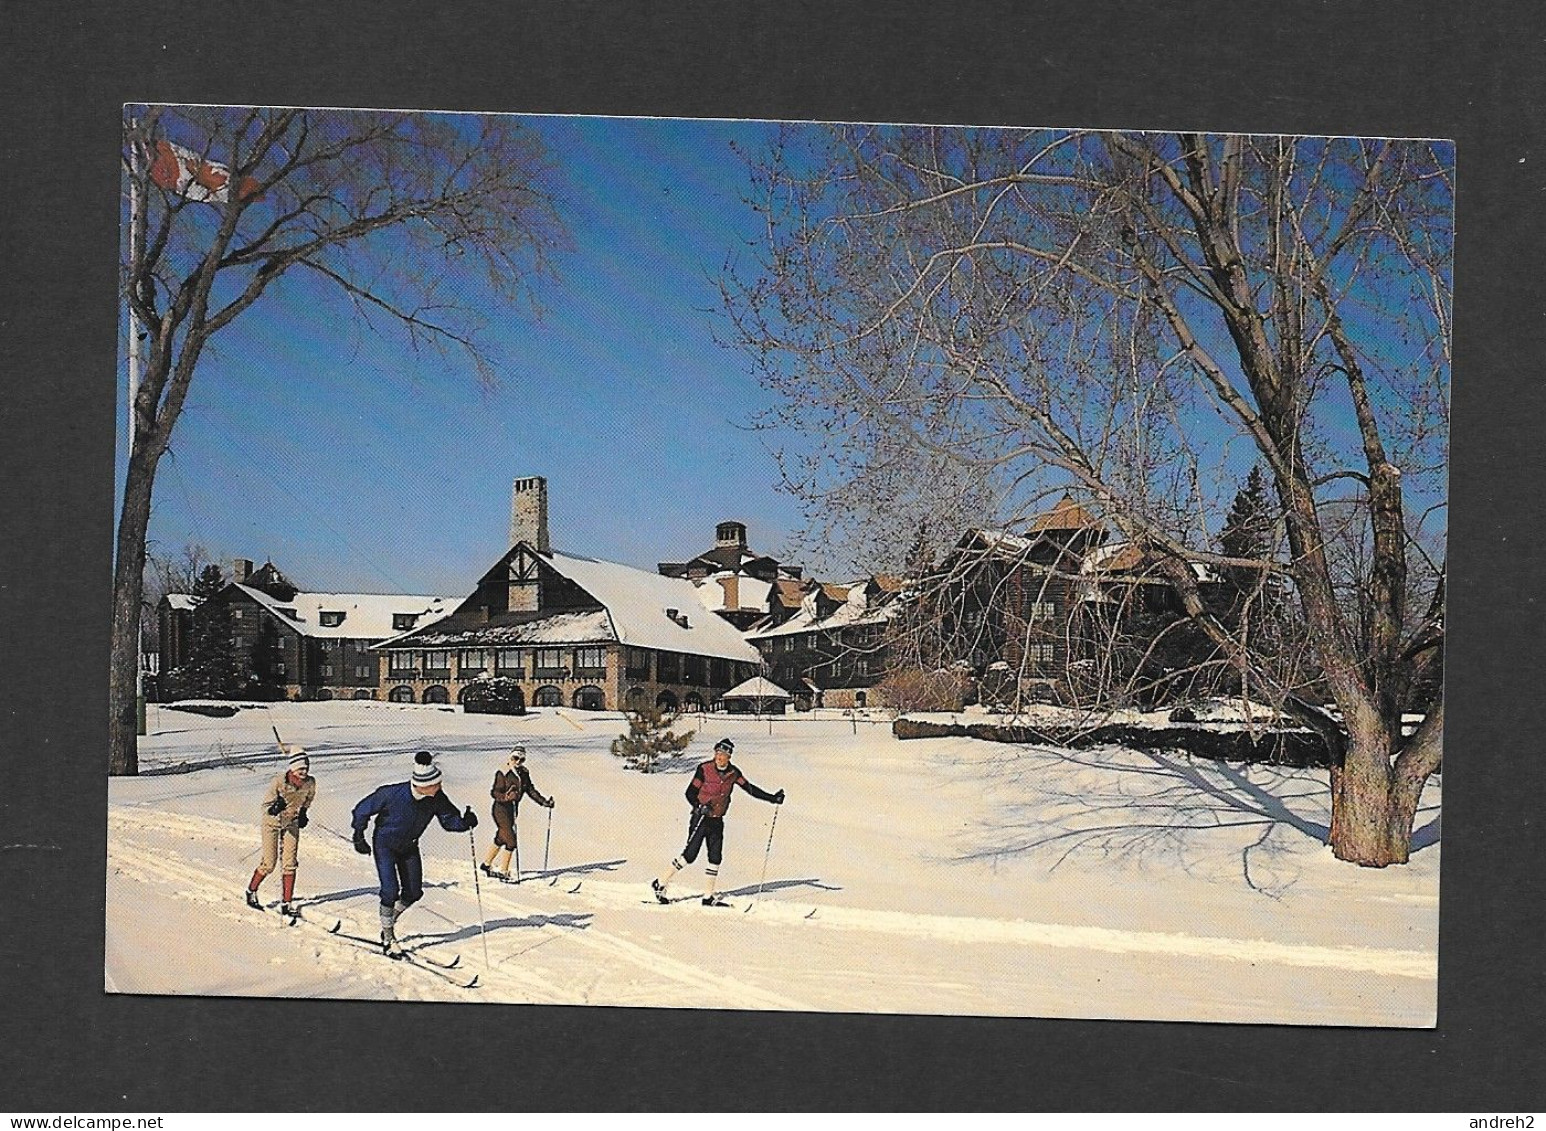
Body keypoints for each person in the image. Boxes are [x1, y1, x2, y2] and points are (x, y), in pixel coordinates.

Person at [350, 751, 478, 956]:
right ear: (424, 785)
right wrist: (358, 835)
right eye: (437, 784)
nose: (441, 787)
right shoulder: (391, 794)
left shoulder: (437, 798)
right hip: (385, 844)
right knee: (390, 891)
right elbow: (361, 810)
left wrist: (464, 822)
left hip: (409, 846)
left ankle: (389, 922)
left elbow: (448, 820)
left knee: (413, 893)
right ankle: (389, 937)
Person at [652, 737, 784, 907]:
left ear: (729, 757)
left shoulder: (733, 773)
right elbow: (690, 793)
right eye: (718, 754)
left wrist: (773, 798)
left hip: (716, 820)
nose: (720, 758)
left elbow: (750, 789)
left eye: (723, 755)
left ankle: (708, 897)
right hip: (700, 818)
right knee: (689, 855)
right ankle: (660, 883)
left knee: (715, 857)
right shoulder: (704, 769)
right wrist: (699, 806)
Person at [244, 745, 315, 916]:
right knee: (269, 863)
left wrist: (304, 813)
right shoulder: (279, 782)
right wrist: (275, 808)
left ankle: (287, 903)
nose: (303, 772)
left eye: (306, 768)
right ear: (292, 768)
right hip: (272, 824)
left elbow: (308, 799)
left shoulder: (310, 783)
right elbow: (265, 808)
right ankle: (251, 891)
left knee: (290, 863)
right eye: (300, 769)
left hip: (292, 823)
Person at [481, 745, 554, 881]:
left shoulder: (524, 773)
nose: (518, 762)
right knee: (511, 841)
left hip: (512, 811)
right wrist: (506, 797)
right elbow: (495, 792)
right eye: (515, 758)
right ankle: (504, 872)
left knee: (501, 838)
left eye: (521, 759)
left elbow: (531, 791)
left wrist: (544, 802)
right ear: (510, 757)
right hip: (500, 810)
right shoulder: (503, 772)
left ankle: (486, 864)